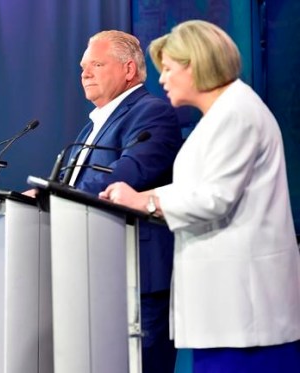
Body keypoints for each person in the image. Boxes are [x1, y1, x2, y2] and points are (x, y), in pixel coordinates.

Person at [99, 20, 300, 372]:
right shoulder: (221, 115)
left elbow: (215, 197)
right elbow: (197, 187)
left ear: (195, 65)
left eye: (169, 69)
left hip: (245, 309)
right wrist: (143, 194)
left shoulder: (237, 115)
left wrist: (144, 201)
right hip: (226, 306)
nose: (161, 79)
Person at [67, 30, 182, 373]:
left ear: (128, 69)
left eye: (96, 65)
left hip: (138, 274)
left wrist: (52, 194)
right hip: (95, 273)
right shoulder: (91, 128)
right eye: (83, 67)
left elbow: (126, 174)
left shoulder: (151, 113)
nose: (84, 73)